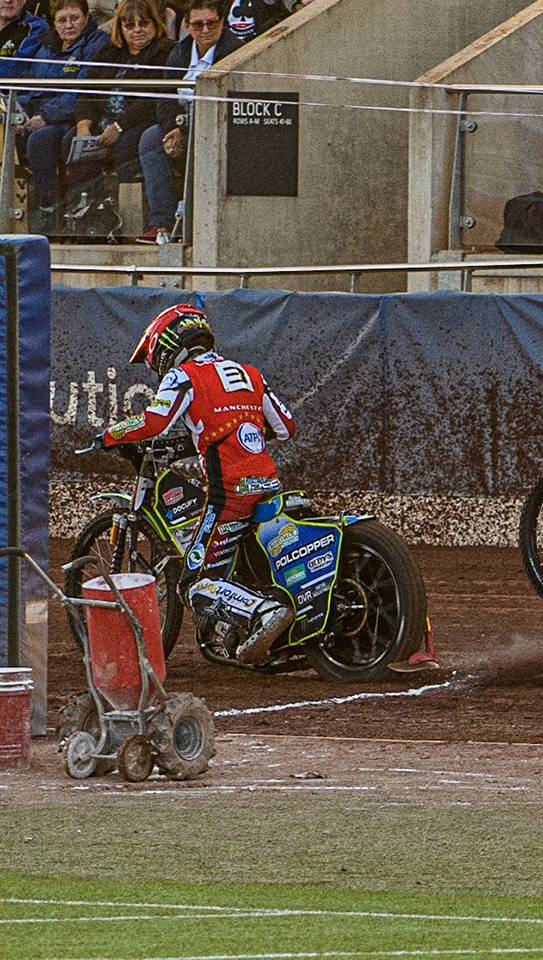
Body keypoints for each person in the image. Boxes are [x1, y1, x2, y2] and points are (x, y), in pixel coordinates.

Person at [99, 303, 296, 664]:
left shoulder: (183, 376)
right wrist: (239, 426)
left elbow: (156, 421)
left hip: (229, 495)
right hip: (268, 484)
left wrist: (111, 433)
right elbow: (285, 427)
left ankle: (264, 614)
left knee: (193, 584)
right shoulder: (250, 373)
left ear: (167, 346)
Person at [136, 0, 241, 244]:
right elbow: (165, 95)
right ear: (187, 26)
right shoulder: (180, 52)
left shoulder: (233, 50)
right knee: (151, 139)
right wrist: (172, 128)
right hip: (182, 123)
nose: (205, 30)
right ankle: (162, 221)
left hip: (217, 127)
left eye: (211, 23)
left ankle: (199, 224)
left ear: (222, 23)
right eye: (198, 24)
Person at [16, 0, 106, 235]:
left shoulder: (97, 44)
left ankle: (50, 211)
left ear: (86, 18)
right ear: (53, 22)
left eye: (74, 18)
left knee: (40, 140)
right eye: (62, 20)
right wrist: (20, 115)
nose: (69, 25)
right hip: (39, 116)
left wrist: (44, 116)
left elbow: (83, 92)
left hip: (78, 117)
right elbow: (29, 85)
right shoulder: (46, 47)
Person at [74, 0, 174, 202]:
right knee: (72, 142)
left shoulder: (164, 51)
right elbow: (87, 92)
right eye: (129, 25)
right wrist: (83, 125)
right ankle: (88, 207)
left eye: (144, 23)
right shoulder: (108, 52)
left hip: (138, 122)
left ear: (154, 24)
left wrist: (119, 127)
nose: (138, 30)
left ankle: (130, 212)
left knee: (125, 145)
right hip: (105, 121)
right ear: (120, 28)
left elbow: (151, 98)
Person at [0, 0, 49, 80]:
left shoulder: (36, 26)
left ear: (24, 1)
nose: (8, 0)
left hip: (13, 89)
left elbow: (15, 68)